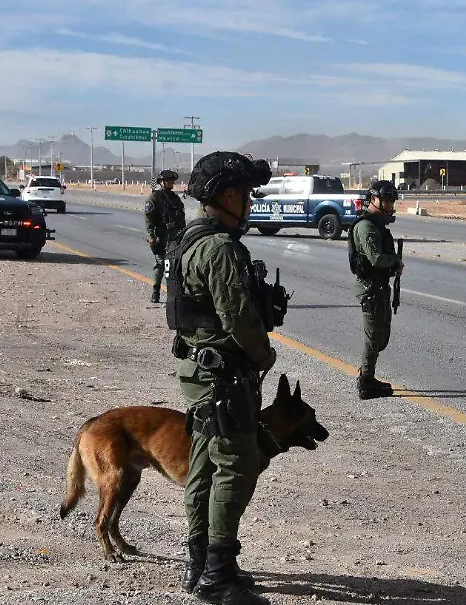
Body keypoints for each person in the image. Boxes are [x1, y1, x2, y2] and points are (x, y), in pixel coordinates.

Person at [165, 151, 277, 605]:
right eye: (246, 194)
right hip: (223, 376)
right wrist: (264, 354)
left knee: (204, 466)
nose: (249, 203)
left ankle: (202, 564)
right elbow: (237, 317)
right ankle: (217, 576)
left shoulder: (188, 239)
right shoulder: (220, 248)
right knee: (236, 465)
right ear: (229, 196)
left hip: (200, 370)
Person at [347, 180, 403, 400]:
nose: (390, 206)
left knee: (381, 336)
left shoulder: (377, 226)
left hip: (379, 286)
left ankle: (367, 373)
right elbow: (376, 258)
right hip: (370, 288)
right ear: (374, 200)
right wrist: (395, 261)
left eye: (392, 202)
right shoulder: (366, 226)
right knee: (373, 337)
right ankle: (366, 382)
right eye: (386, 201)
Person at [146, 169, 187, 303]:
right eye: (168, 180)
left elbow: (181, 216)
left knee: (176, 264)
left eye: (172, 180)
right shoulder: (154, 198)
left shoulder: (175, 198)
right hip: (161, 236)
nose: (171, 183)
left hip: (175, 236)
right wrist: (152, 236)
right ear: (161, 182)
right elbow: (149, 219)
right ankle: (155, 291)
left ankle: (175, 293)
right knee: (161, 264)